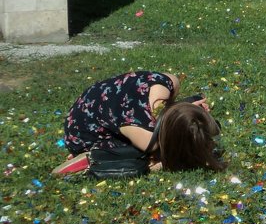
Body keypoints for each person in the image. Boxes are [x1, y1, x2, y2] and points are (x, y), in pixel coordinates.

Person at [52, 70, 225, 174]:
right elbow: (173, 152)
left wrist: (186, 109)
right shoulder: (148, 139)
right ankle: (95, 157)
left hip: (89, 104)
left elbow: (165, 110)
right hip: (83, 131)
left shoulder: (169, 82)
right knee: (149, 159)